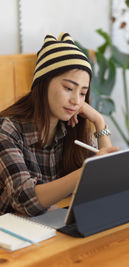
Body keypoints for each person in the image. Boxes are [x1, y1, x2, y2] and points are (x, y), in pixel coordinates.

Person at [0, 32, 118, 216]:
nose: (75, 100)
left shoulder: (71, 127)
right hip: (11, 236)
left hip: (50, 228)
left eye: (82, 93)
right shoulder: (7, 130)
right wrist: (86, 172)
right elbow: (25, 200)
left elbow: (108, 185)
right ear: (43, 84)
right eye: (69, 88)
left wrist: (99, 122)